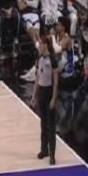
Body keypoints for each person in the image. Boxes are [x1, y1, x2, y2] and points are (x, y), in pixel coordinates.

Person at [31, 37, 59, 165]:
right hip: (41, 92)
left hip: (49, 92)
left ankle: (52, 154)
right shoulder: (39, 59)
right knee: (43, 123)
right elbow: (38, 78)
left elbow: (56, 81)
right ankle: (44, 149)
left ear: (46, 45)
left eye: (41, 44)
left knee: (51, 125)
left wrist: (53, 98)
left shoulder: (53, 59)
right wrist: (34, 96)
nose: (39, 46)